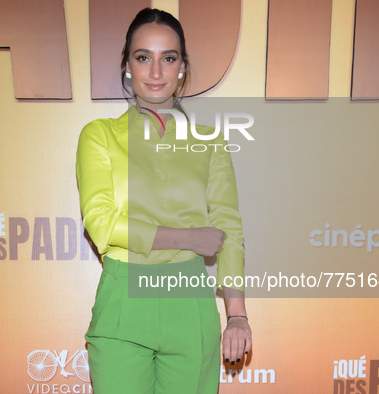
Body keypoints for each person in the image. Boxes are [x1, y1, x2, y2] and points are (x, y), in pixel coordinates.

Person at [76, 8, 251, 394]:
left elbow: (229, 230)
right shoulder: (99, 135)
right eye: (143, 58)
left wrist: (236, 316)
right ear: (127, 65)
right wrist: (187, 237)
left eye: (168, 58)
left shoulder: (210, 142)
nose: (156, 73)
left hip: (189, 303)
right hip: (123, 300)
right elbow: (101, 224)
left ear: (182, 67)